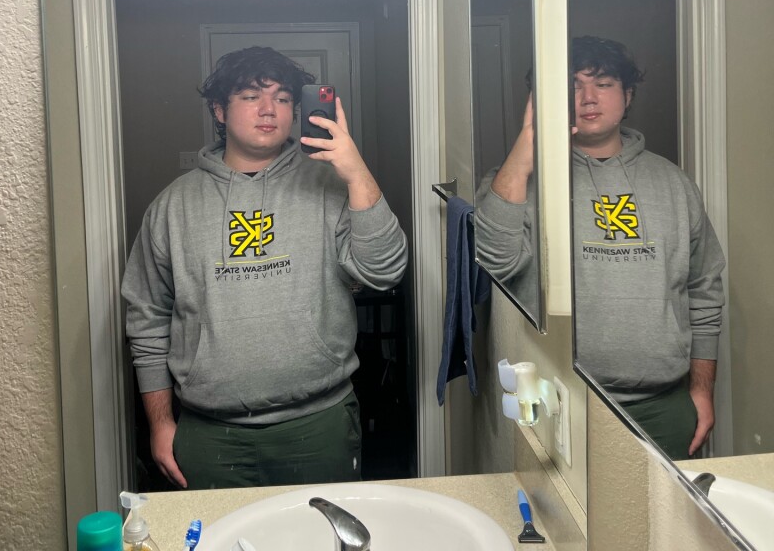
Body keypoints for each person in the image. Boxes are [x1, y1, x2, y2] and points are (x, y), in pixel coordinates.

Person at [121, 46, 408, 489]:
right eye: (251, 96)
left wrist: (356, 172)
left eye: (283, 97)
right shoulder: (172, 207)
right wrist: (160, 423)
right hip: (209, 432)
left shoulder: (333, 186)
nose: (269, 109)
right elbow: (147, 318)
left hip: (319, 424)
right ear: (219, 110)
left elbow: (386, 270)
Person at [475, 35, 725, 459]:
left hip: (664, 405)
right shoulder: (514, 182)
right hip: (558, 402)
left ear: (627, 96)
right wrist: (527, 148)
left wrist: (702, 389)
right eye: (572, 86)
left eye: (603, 83)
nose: (588, 98)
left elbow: (705, 292)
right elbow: (494, 264)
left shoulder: (674, 184)